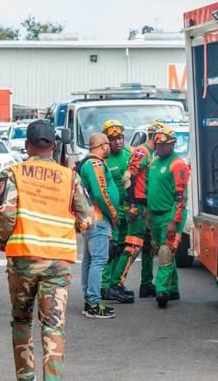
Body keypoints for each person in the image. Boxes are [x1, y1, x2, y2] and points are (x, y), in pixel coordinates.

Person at [0, 119, 96, 381]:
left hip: (23, 260)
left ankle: (25, 378)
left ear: (28, 145)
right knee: (53, 326)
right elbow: (87, 220)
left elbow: (6, 215)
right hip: (57, 263)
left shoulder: (13, 173)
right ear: (53, 145)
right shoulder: (70, 177)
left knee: (21, 320)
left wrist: (2, 240)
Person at [147, 127, 190, 308]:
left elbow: (180, 196)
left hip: (169, 215)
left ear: (172, 145)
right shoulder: (154, 163)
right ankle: (173, 289)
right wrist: (148, 213)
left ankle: (162, 290)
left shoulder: (178, 164)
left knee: (165, 251)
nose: (160, 148)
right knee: (163, 251)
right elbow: (151, 190)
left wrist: (174, 220)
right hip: (155, 215)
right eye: (158, 144)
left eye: (164, 145)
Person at [79, 132, 120, 318]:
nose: (111, 147)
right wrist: (113, 213)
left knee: (89, 261)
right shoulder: (95, 164)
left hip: (91, 219)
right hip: (99, 219)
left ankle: (90, 300)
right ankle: (94, 303)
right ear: (103, 146)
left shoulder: (88, 164)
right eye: (108, 144)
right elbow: (101, 192)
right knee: (98, 261)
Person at [127, 121, 166, 298]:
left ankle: (146, 283)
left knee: (150, 248)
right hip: (139, 205)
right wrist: (132, 205)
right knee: (132, 246)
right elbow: (129, 177)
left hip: (148, 206)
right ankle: (115, 283)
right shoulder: (142, 152)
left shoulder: (152, 154)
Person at [100, 120, 134, 303]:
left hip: (128, 210)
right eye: (113, 139)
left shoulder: (129, 154)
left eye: (120, 137)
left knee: (123, 248)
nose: (118, 142)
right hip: (111, 212)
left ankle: (115, 284)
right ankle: (105, 286)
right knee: (110, 249)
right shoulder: (103, 159)